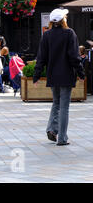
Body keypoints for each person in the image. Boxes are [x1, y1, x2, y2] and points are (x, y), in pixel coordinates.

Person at [33, 8, 85, 146]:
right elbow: (74, 57)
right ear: (63, 20)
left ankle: (51, 129)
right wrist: (81, 73)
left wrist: (36, 76)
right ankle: (62, 138)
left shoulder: (47, 35)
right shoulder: (69, 33)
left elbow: (41, 58)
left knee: (56, 103)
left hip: (52, 75)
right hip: (66, 75)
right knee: (64, 107)